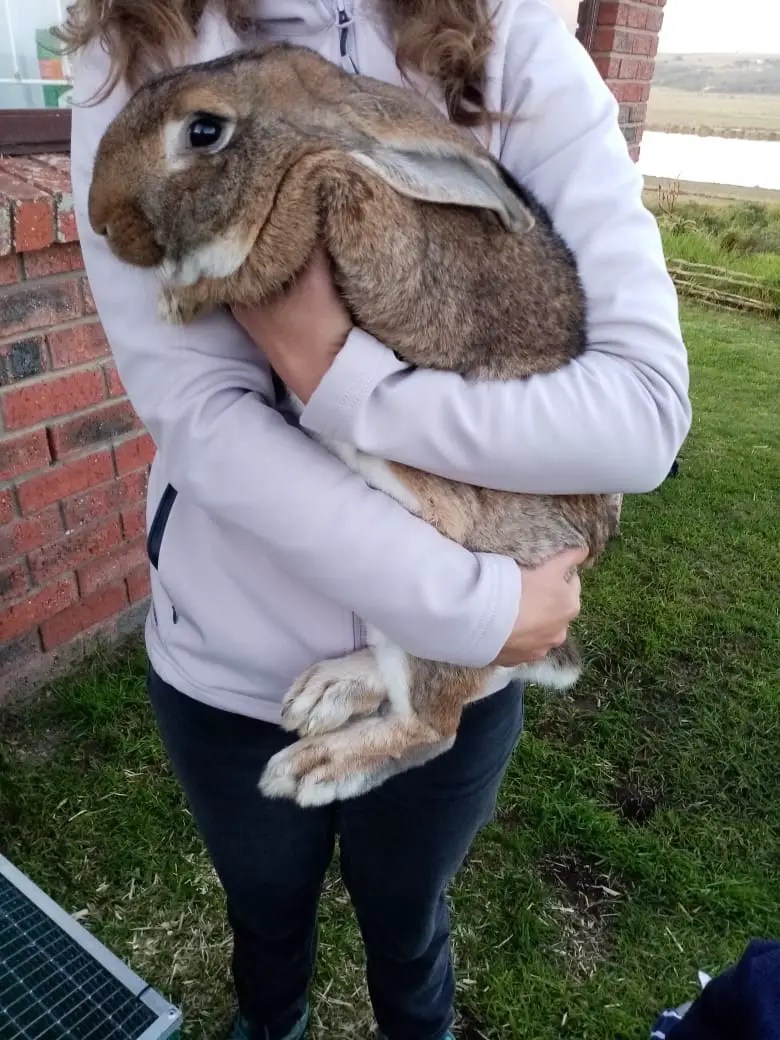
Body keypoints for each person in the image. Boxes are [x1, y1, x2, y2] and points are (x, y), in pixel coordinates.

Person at [64, 1, 691, 1037]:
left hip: (471, 664)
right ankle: (276, 1019)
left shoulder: (510, 35)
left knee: (408, 916)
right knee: (265, 914)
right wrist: (477, 604)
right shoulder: (136, 41)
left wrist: (337, 377)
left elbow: (643, 416)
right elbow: (201, 417)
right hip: (239, 661)